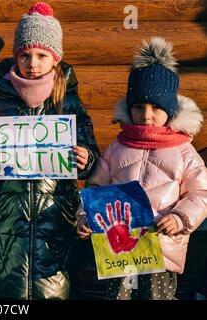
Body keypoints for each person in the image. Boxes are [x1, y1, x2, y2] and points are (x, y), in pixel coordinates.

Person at [0, 2, 100, 299]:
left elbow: (92, 158)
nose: (33, 63)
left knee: (52, 287)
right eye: (25, 55)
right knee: (8, 288)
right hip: (8, 217)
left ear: (55, 59)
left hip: (54, 215)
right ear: (16, 56)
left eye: (42, 55)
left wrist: (86, 159)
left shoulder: (67, 102)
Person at [76, 37, 207, 300]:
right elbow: (96, 188)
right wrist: (85, 217)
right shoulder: (118, 147)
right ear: (130, 107)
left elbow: (201, 195)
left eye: (156, 107)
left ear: (169, 110)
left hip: (161, 248)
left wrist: (181, 218)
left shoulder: (183, 151)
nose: (146, 115)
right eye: (139, 106)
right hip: (118, 250)